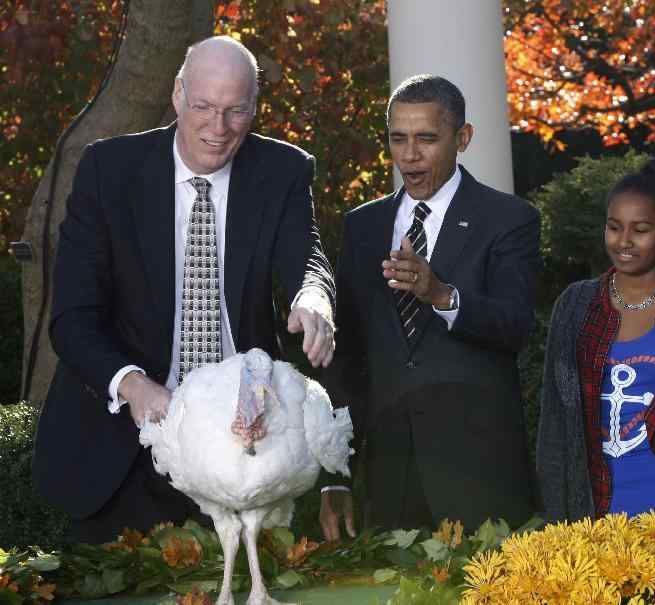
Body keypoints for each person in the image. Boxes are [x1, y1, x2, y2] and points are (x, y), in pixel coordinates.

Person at [31, 36, 336, 544]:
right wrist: (132, 384)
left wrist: (313, 297)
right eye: (203, 107)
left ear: (254, 107)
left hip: (242, 453)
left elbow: (308, 260)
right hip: (126, 449)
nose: (218, 128)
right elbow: (72, 315)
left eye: (236, 111)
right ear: (177, 96)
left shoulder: (283, 171)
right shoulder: (108, 171)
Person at [318, 74, 539, 538]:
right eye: (398, 139)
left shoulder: (509, 220)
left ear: (463, 138)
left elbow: (516, 326)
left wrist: (442, 295)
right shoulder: (363, 226)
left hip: (480, 477)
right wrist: (333, 474)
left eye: (426, 139)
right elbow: (346, 357)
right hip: (390, 480)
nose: (409, 156)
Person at [537, 160, 655, 522]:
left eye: (640, 230)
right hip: (590, 507)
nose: (624, 241)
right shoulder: (575, 305)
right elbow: (554, 423)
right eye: (614, 227)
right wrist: (556, 515)